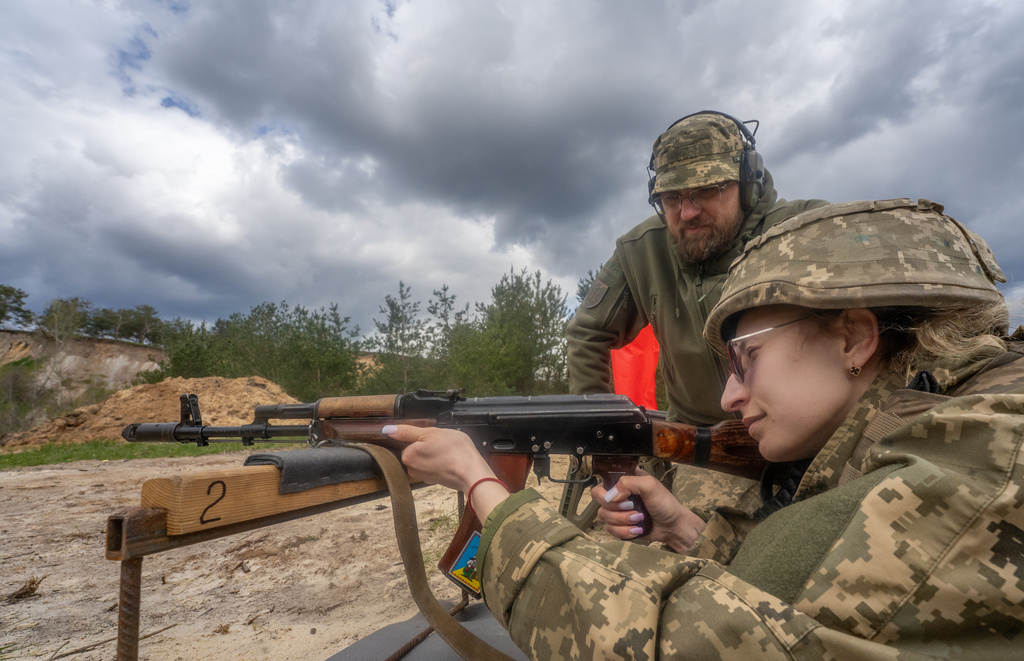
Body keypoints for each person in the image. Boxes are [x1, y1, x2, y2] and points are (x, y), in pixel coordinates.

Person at [387, 198, 1024, 659]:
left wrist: (479, 485)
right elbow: (783, 613)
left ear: (855, 336)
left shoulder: (983, 455)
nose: (728, 396)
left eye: (747, 356)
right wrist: (690, 532)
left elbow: (670, 644)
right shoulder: (940, 425)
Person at [566, 111, 828, 516]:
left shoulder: (803, 231)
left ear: (747, 181)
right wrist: (605, 435)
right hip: (704, 445)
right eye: (671, 198)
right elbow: (587, 332)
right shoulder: (642, 251)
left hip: (810, 436)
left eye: (705, 190)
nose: (686, 212)